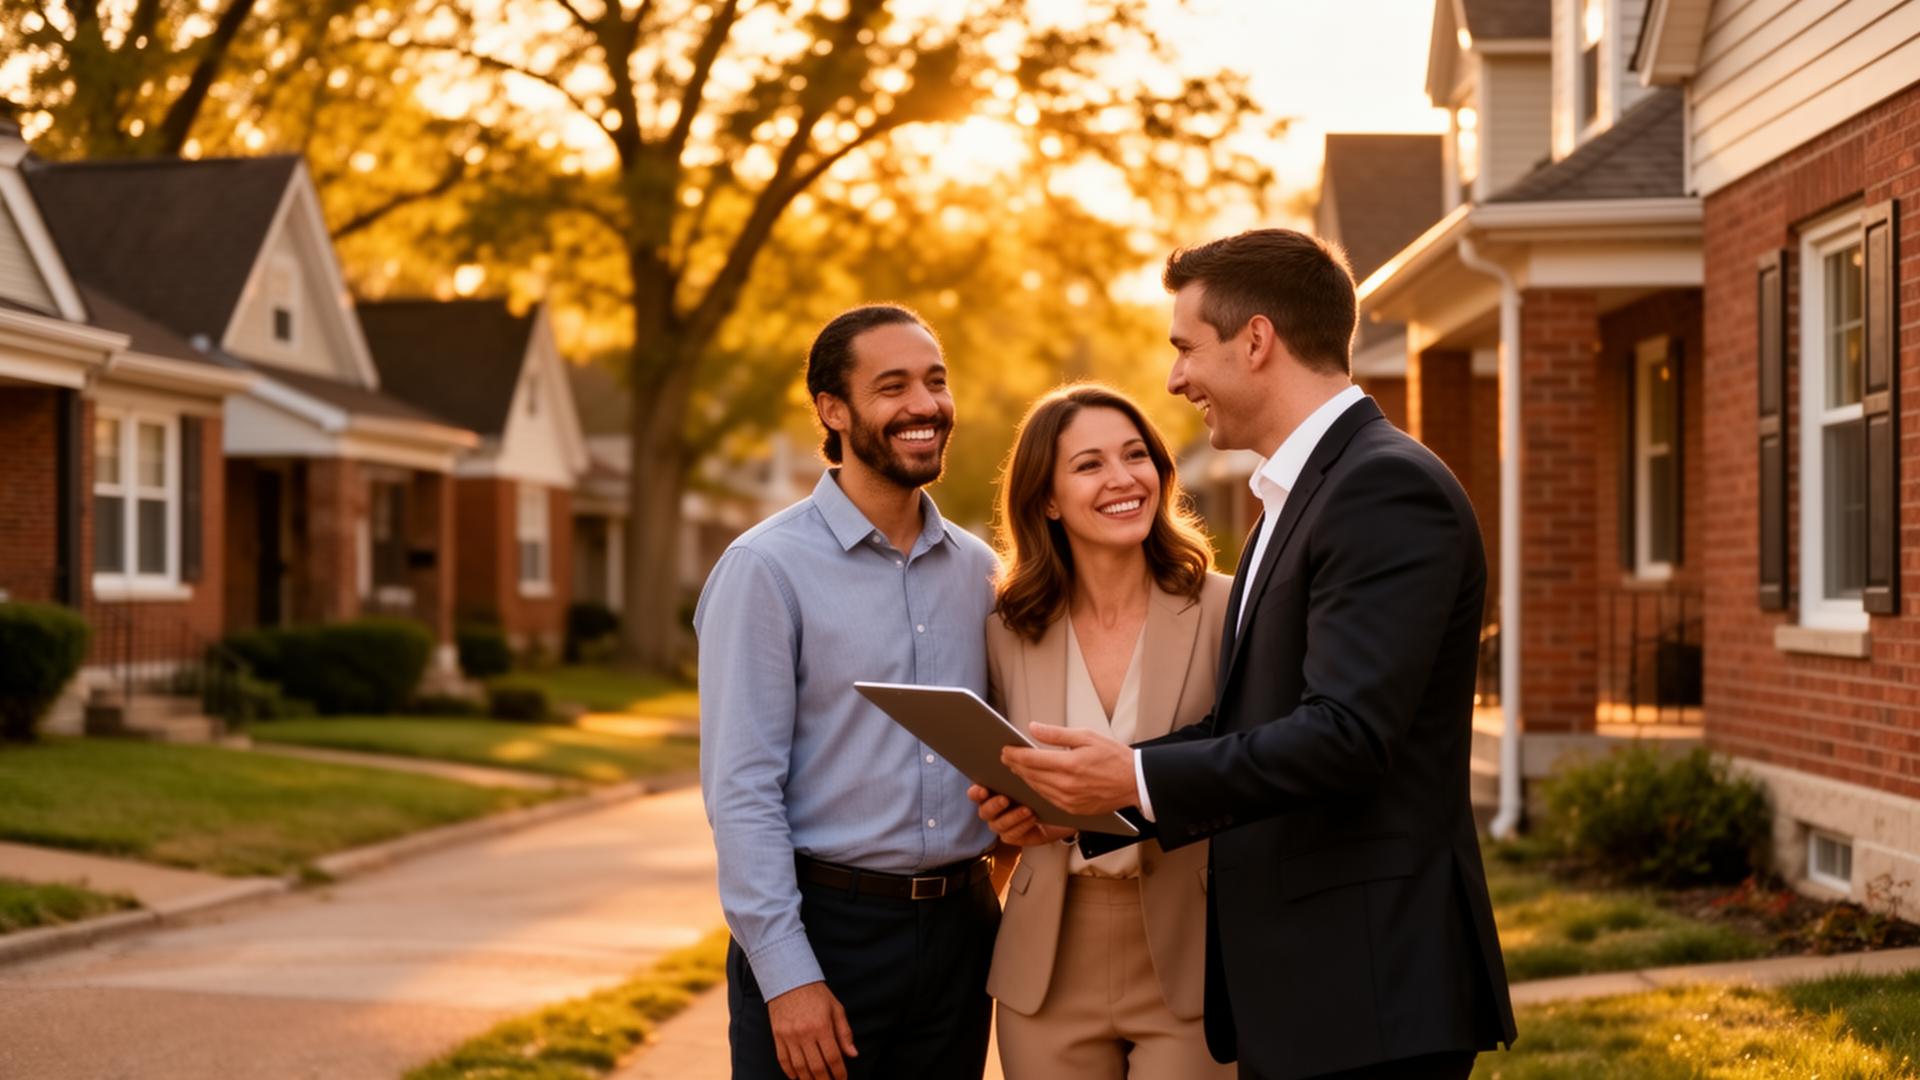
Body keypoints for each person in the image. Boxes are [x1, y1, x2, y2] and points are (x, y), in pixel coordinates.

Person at [978, 229, 1517, 1080]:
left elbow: (1346, 734)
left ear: (1255, 341)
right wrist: (1099, 797)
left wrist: (1135, 780)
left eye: (1186, 347)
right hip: (1308, 988)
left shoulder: (1382, 487)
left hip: (1367, 985)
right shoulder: (1291, 501)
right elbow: (1247, 723)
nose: (1174, 378)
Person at [695, 304, 1004, 1080]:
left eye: (935, 382)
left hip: (963, 935)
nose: (924, 406)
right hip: (828, 931)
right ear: (833, 411)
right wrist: (787, 973)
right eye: (892, 386)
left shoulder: (980, 571)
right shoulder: (765, 568)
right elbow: (741, 790)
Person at [977, 384, 1234, 1079]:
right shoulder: (1008, 630)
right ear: (1048, 499)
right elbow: (1002, 791)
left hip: (1191, 953)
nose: (1123, 478)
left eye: (1135, 455)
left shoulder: (1226, 610)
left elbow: (1252, 768)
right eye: (1090, 464)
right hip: (1048, 964)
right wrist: (1011, 820)